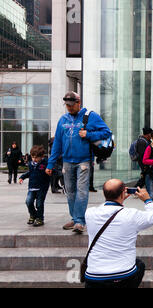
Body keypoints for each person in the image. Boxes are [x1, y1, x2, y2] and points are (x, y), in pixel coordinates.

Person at [46, 91, 112, 234]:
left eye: (71, 105)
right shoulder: (63, 120)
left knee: (81, 191)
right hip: (67, 161)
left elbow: (107, 132)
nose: (69, 108)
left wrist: (89, 134)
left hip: (84, 161)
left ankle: (80, 221)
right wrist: (50, 164)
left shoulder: (90, 116)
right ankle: (75, 218)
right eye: (67, 105)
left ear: (78, 102)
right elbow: (57, 142)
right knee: (69, 192)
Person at [84, 180, 153, 287]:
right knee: (140, 265)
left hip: (94, 276)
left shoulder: (90, 213)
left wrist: (116, 199)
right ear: (122, 193)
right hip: (123, 276)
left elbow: (105, 207)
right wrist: (147, 200)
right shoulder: (131, 215)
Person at [18, 145, 51, 227]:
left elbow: (51, 171)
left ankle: (40, 218)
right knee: (28, 202)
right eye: (33, 157)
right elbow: (30, 173)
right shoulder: (31, 164)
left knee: (39, 204)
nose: (34, 159)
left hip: (42, 187)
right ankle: (33, 215)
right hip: (32, 186)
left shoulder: (46, 163)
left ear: (42, 156)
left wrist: (51, 173)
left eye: (36, 158)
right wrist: (22, 177)